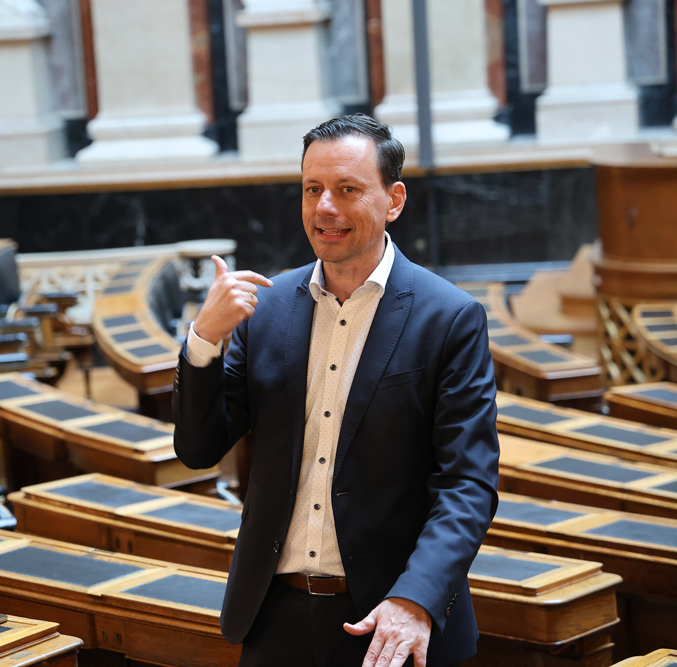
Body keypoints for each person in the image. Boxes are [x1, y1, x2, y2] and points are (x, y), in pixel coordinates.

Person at [172, 114, 500, 667]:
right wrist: (204, 340)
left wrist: (415, 599)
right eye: (312, 189)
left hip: (389, 619)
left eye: (347, 189)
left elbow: (467, 483)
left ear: (394, 200)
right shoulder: (265, 310)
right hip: (274, 616)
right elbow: (198, 449)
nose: (325, 207)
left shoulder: (450, 318)